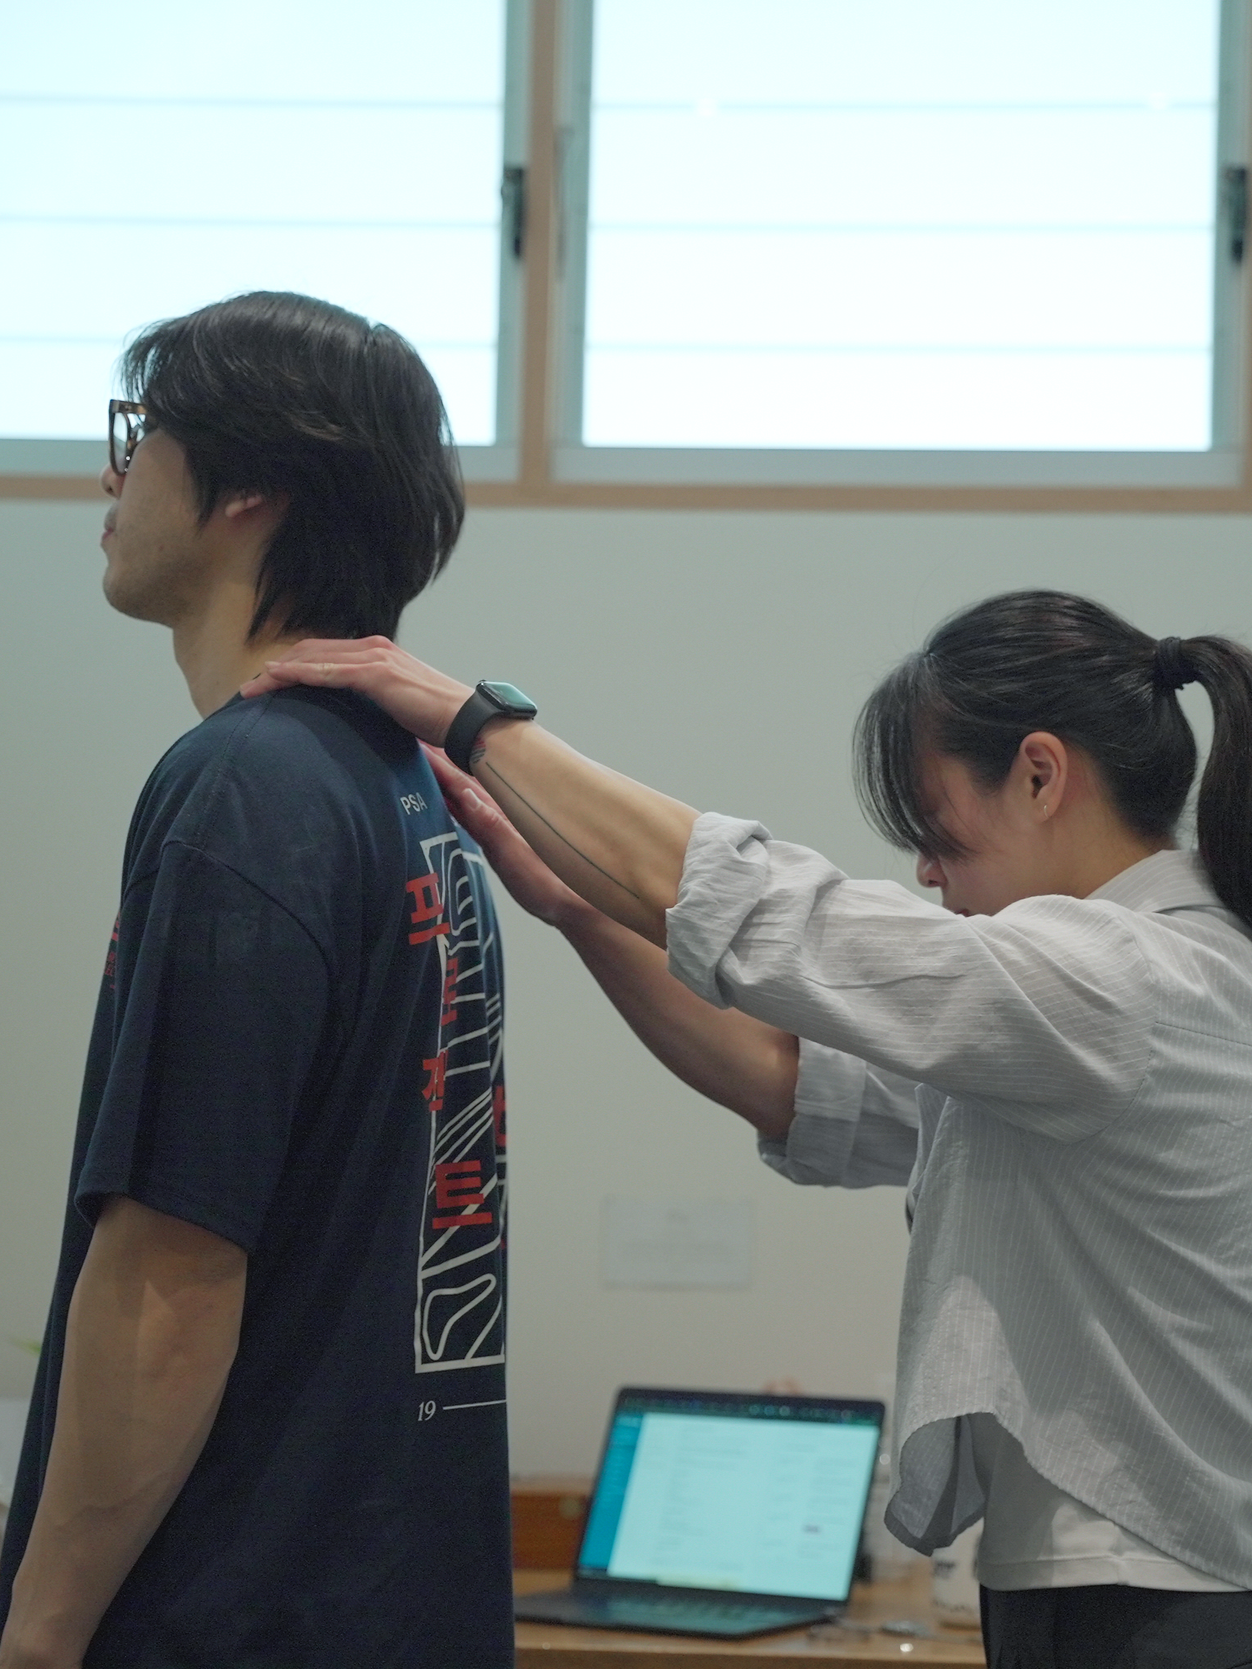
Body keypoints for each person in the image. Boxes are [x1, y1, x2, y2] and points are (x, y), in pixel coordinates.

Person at [245, 592, 1252, 1669]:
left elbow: (783, 919)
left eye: (931, 821)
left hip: (1159, 1596)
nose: (924, 868)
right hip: (1115, 1583)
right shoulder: (1069, 1024)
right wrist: (578, 906)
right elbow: (785, 1077)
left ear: (1041, 775)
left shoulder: (1123, 981)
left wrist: (474, 721)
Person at [0, 293, 514, 1669]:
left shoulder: (244, 788)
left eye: (143, 435)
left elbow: (172, 1269)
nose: (112, 477)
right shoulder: (405, 790)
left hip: (236, 1610)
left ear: (252, 489)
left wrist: (39, 1633)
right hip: (394, 1592)